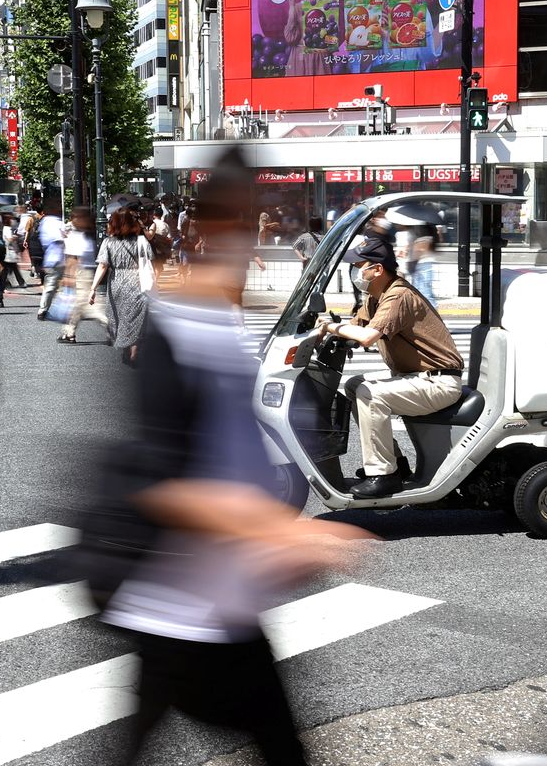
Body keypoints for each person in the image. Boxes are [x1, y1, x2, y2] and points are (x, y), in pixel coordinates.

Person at [102, 149, 374, 765]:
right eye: (251, 222)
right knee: (279, 750)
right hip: (185, 602)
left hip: (208, 600)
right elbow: (164, 483)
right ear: (221, 228)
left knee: (140, 739)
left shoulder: (221, 322)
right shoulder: (172, 328)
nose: (257, 241)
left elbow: (228, 458)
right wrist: (283, 532)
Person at [321, 236, 464, 499]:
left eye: (359, 265)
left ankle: (383, 474)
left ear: (377, 269)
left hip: (439, 382)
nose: (355, 271)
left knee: (369, 393)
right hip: (416, 377)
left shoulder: (398, 295)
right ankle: (396, 463)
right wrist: (324, 333)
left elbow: (367, 336)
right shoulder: (376, 296)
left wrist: (328, 327)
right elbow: (356, 326)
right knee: (354, 385)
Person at [91, 207, 153, 364]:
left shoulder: (107, 243)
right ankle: (134, 351)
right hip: (137, 281)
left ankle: (126, 348)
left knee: (120, 316)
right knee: (136, 317)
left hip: (116, 282)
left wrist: (93, 289)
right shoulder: (141, 241)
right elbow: (148, 264)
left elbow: (103, 266)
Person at [59, 208, 108, 344]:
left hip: (81, 273)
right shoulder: (90, 234)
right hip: (89, 271)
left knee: (89, 306)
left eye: (75, 217)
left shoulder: (78, 235)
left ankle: (111, 327)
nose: (73, 220)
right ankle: (68, 332)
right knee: (77, 304)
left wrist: (68, 276)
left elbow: (73, 258)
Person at [283, 0, 332, 77]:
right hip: (299, 56)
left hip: (319, 56)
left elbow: (331, 37)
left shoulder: (326, 7)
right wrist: (291, 6)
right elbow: (290, 37)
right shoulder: (296, 7)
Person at [35, 204, 67, 320]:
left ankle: (44, 310)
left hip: (51, 258)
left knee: (52, 286)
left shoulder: (45, 222)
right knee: (53, 285)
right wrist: (64, 236)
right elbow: (59, 238)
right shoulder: (54, 222)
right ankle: (44, 310)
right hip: (57, 258)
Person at [0, 210, 26, 293]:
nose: (13, 221)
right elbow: (10, 239)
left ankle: (19, 282)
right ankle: (4, 285)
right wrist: (16, 237)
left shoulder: (8, 228)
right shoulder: (7, 229)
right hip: (9, 252)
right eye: (11, 219)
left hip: (11, 251)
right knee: (7, 270)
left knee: (12, 268)